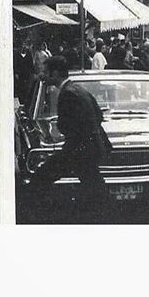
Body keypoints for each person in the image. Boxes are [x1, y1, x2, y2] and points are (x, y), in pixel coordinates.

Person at [30, 56, 112, 217]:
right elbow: (98, 115)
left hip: (78, 150)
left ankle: (41, 217)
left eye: (46, 73)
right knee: (93, 185)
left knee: (40, 178)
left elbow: (67, 127)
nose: (43, 76)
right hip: (89, 148)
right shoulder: (78, 89)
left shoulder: (67, 93)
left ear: (55, 74)